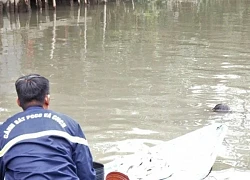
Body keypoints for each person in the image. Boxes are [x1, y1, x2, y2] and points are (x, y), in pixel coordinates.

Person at [0, 74, 96, 180]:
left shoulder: (4, 131)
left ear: (18, 102)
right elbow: (86, 174)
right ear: (47, 99)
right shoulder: (70, 125)